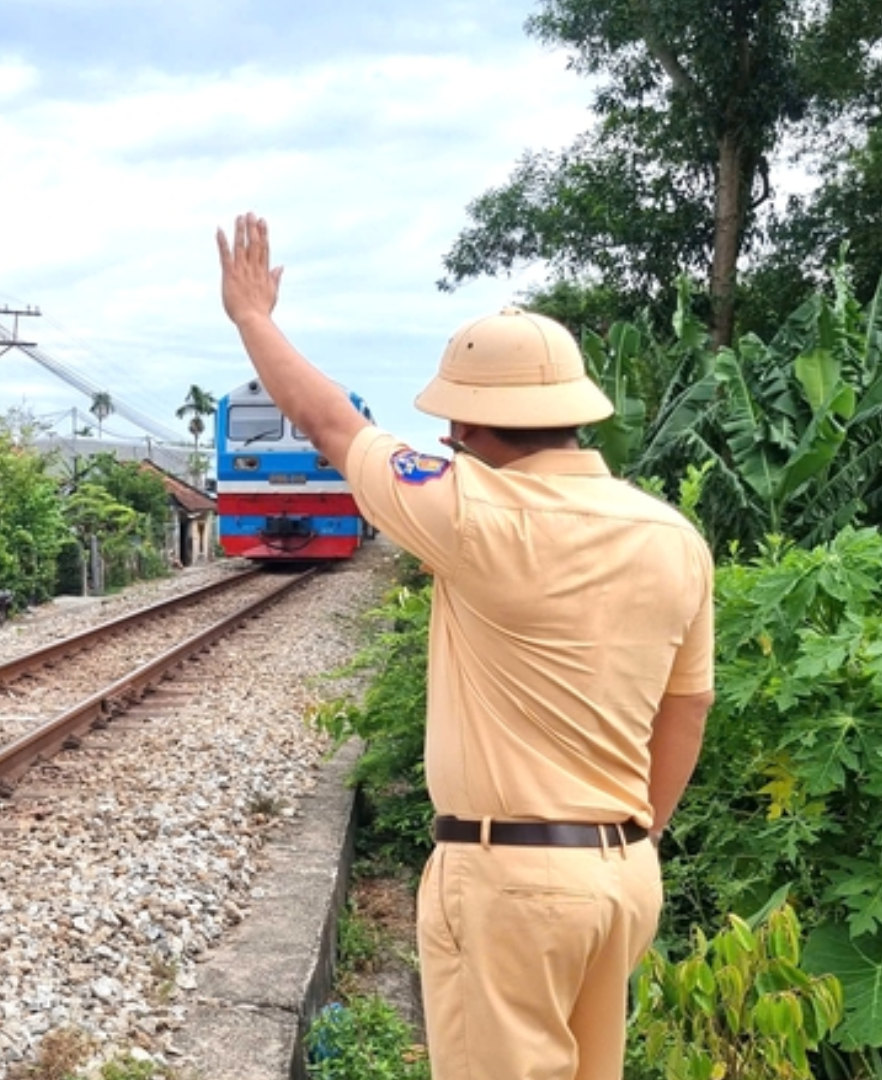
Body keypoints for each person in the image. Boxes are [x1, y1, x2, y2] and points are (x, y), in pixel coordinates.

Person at [217, 212, 715, 1080]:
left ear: (466, 429)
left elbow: (330, 425)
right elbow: (690, 705)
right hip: (624, 877)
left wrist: (253, 318)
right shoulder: (674, 537)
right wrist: (634, 840)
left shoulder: (470, 513)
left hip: (510, 884)